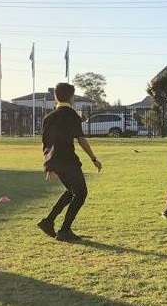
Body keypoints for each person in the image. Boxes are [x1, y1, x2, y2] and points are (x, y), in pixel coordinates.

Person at [37, 83, 102, 242]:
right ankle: (65, 230)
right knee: (81, 193)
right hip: (68, 160)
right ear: (72, 97)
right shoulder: (72, 115)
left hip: (55, 161)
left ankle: (48, 221)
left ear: (55, 97)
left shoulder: (48, 118)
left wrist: (49, 165)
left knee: (71, 191)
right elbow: (81, 139)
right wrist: (93, 158)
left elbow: (46, 143)